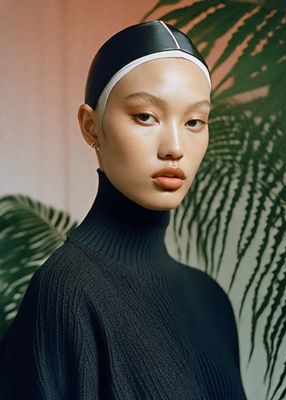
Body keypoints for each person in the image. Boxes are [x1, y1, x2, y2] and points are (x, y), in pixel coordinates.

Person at [0, 21, 247, 399]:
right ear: (90, 126)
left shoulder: (211, 301)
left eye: (195, 121)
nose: (175, 147)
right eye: (146, 116)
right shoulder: (68, 291)